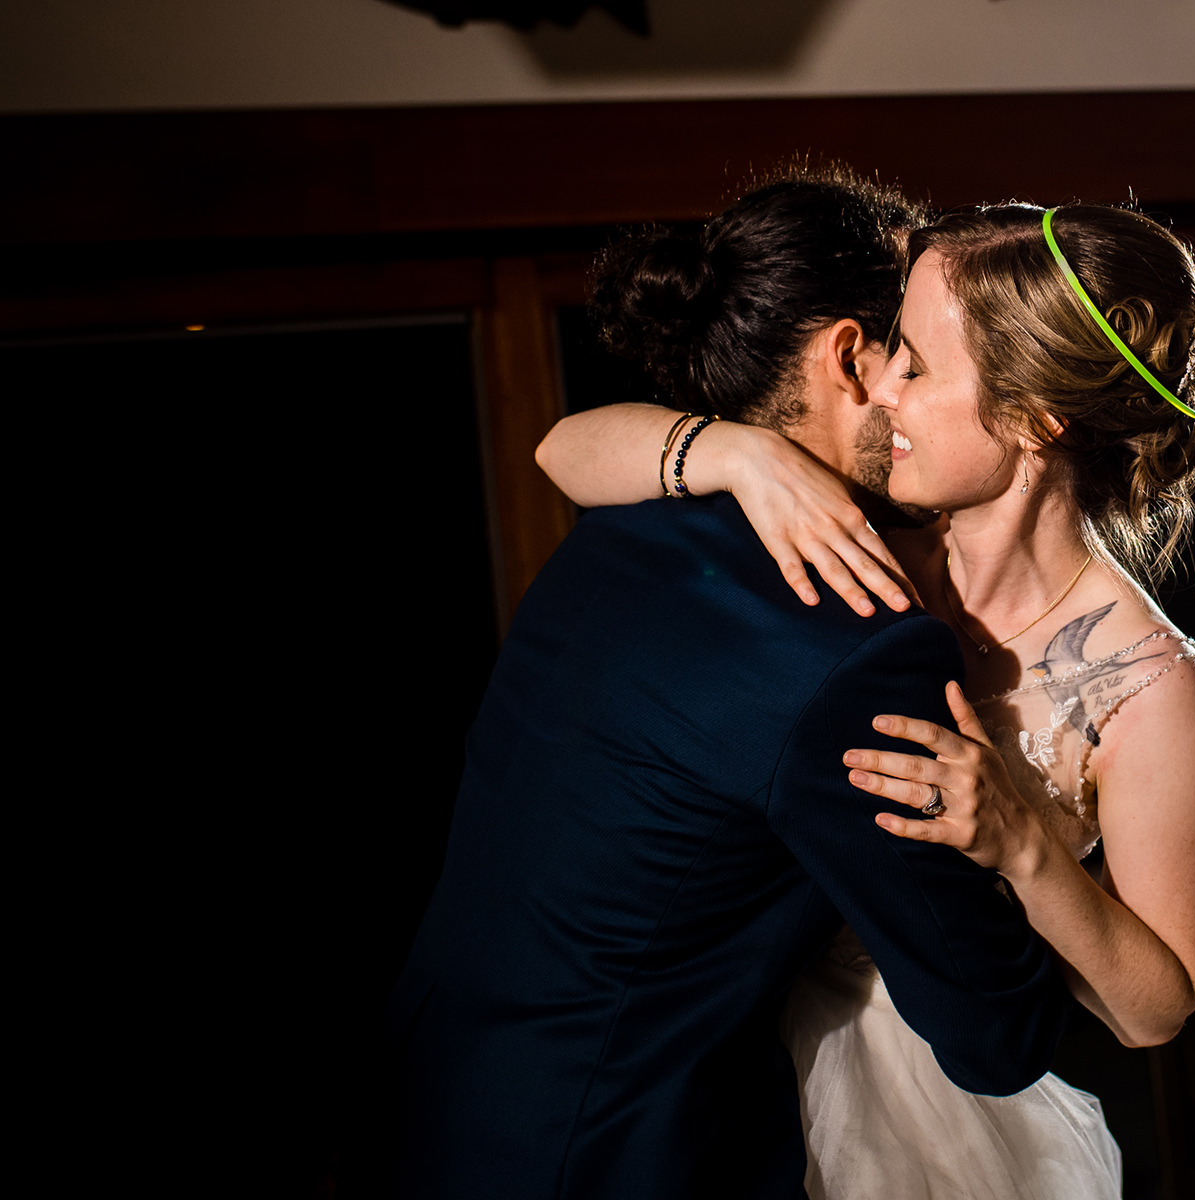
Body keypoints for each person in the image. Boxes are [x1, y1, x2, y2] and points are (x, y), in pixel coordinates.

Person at [389, 171, 1081, 1200]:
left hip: (441, 1113)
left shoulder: (612, 537)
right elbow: (996, 1032)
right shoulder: (856, 643)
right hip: (620, 1154)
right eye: (919, 355)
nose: (919, 391)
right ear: (852, 356)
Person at [539, 200, 1195, 1198]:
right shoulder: (849, 528)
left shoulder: (1148, 688)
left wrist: (1025, 849)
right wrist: (743, 454)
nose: (883, 392)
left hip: (929, 1119)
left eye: (913, 363)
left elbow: (1155, 1008)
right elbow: (563, 452)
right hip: (723, 1065)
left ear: (1036, 418)